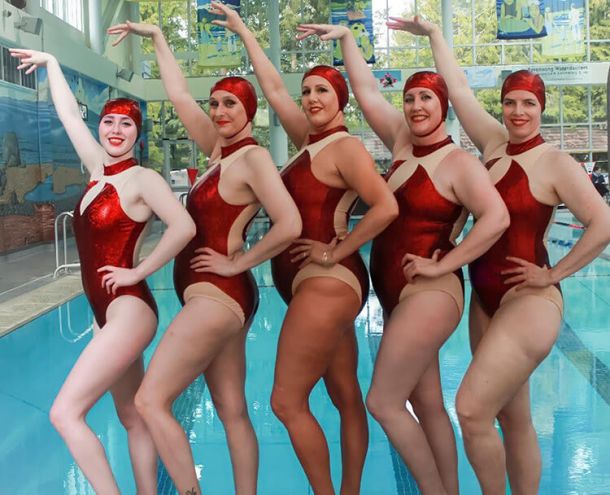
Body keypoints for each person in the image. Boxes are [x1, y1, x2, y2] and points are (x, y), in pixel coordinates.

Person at [390, 15, 610, 495]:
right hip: (485, 301)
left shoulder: (555, 162)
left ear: (541, 108)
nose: (517, 112)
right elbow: (461, 92)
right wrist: (432, 37)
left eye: (528, 103)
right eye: (510, 102)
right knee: (513, 415)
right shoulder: (492, 146)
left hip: (528, 301)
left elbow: (603, 224)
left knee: (471, 409)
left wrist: (554, 274)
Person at [296, 23, 509, 495]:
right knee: (427, 402)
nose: (415, 106)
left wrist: (443, 265)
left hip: (431, 291)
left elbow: (496, 218)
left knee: (383, 402)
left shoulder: (459, 163)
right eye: (410, 98)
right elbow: (368, 91)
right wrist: (346, 39)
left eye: (426, 99)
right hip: (397, 294)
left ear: (444, 107)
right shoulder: (400, 144)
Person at [209, 3, 399, 494]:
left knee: (285, 402)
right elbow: (272, 88)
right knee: (344, 396)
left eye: (323, 91)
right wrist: (244, 30)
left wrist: (337, 252)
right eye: (308, 91)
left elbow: (385, 207)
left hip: (329, 282)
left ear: (342, 100)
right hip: (311, 284)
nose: (312, 99)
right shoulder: (308, 143)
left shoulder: (346, 148)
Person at [107, 21, 302, 495]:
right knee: (231, 408)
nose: (218, 111)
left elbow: (290, 223)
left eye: (230, 103)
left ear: (249, 110)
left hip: (219, 294)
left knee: (150, 399)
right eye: (214, 103)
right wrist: (155, 37)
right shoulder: (218, 153)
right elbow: (177, 96)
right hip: (218, 296)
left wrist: (239, 263)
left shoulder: (252, 159)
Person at [10, 49, 196, 494]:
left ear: (138, 133)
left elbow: (184, 226)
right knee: (131, 416)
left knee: (64, 413)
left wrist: (138, 272)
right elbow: (69, 115)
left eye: (126, 123)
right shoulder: (97, 170)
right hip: (104, 314)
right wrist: (54, 63)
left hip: (129, 310)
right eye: (109, 122)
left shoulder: (143, 179)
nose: (115, 130)